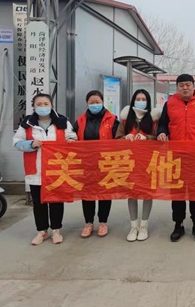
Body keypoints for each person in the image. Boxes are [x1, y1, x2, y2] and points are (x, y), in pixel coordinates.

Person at [156, 74, 195, 243]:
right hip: (175, 155)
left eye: (188, 85)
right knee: (177, 190)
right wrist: (161, 132)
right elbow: (163, 124)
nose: (185, 88)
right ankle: (178, 224)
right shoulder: (170, 103)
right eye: (181, 85)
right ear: (177, 87)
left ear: (193, 86)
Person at [13, 93, 77, 245]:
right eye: (39, 104)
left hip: (57, 169)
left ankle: (56, 230)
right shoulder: (27, 123)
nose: (43, 107)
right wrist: (30, 144)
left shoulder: (62, 121)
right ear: (34, 106)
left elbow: (72, 137)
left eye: (46, 104)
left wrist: (70, 140)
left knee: (56, 200)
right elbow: (16, 142)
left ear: (51, 105)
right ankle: (41, 231)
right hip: (36, 169)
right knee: (38, 202)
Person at [115, 89, 160, 242]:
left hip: (148, 162)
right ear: (133, 100)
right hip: (129, 161)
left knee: (147, 193)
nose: (140, 101)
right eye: (138, 99)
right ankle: (133, 226)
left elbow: (159, 138)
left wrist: (147, 138)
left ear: (148, 101)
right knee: (132, 193)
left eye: (143, 99)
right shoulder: (125, 119)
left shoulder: (153, 119)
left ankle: (144, 226)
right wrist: (125, 138)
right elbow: (117, 138)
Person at [73, 90, 119, 238]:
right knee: (87, 193)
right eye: (91, 102)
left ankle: (103, 222)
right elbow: (73, 137)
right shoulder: (80, 121)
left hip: (106, 162)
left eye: (97, 102)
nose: (94, 104)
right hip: (86, 163)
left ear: (103, 102)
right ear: (87, 103)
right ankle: (88, 223)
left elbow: (120, 139)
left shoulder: (112, 120)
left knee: (105, 193)